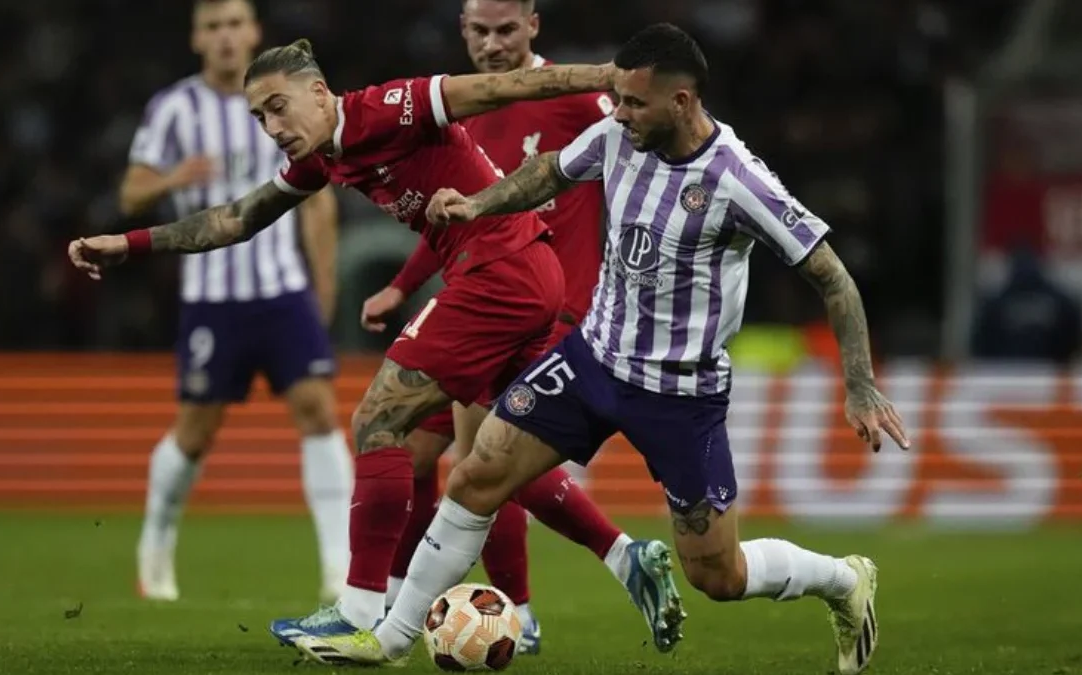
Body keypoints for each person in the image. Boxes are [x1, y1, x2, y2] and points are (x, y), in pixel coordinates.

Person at [291, 23, 911, 675]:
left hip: (681, 394)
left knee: (716, 573)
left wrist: (860, 384)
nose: (620, 113)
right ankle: (389, 638)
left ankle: (844, 579)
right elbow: (546, 175)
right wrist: (476, 205)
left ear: (683, 102)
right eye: (618, 99)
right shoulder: (618, 135)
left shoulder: (736, 179)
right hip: (592, 361)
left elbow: (831, 275)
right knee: (477, 475)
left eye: (635, 103)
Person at [68, 37, 678, 651]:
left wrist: (606, 74)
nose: (272, 127)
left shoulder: (390, 107)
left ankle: (362, 611)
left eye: (279, 107)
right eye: (260, 117)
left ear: (318, 92)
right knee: (498, 459)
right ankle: (627, 557)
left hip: (499, 273)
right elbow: (237, 218)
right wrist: (130, 243)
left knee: (377, 421)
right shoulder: (325, 158)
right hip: (521, 270)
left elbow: (500, 87)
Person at [370, 0, 622, 654]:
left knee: (482, 456)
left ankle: (525, 609)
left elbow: (640, 147)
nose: (492, 44)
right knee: (415, 450)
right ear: (462, 32)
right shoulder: (460, 110)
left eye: (506, 30)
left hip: (549, 305)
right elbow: (456, 215)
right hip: (475, 296)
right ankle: (394, 591)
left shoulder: (574, 101)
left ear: (534, 26)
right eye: (479, 32)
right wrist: (401, 284)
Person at [117, 0, 351, 603]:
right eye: (213, 27)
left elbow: (319, 195)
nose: (225, 37)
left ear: (253, 32)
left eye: (234, 25)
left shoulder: (287, 103)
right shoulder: (174, 108)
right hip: (212, 297)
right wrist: (173, 179)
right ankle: (157, 544)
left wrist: (322, 282)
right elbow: (130, 194)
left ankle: (338, 567)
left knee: (319, 410)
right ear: (198, 38)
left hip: (281, 289)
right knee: (196, 432)